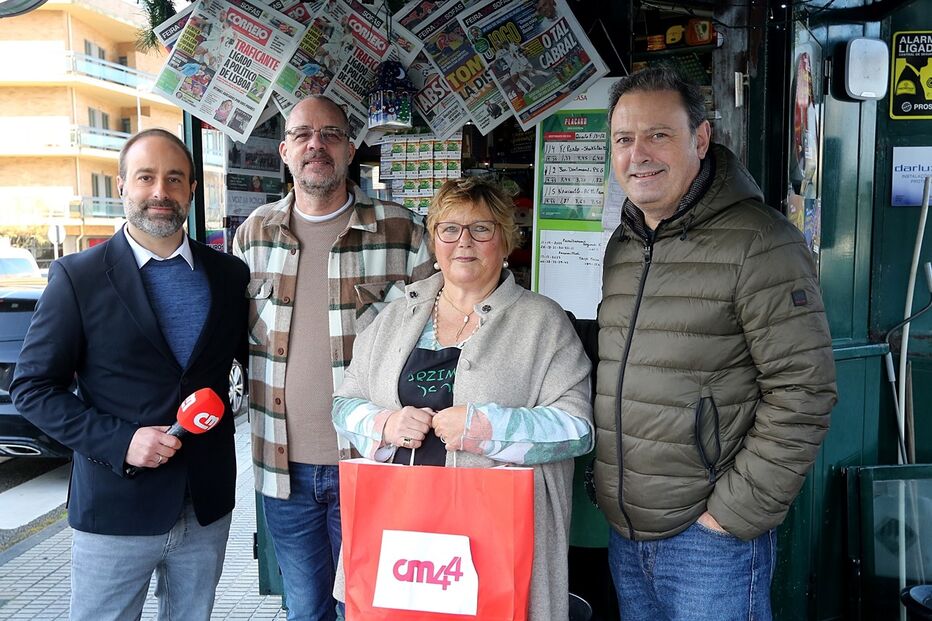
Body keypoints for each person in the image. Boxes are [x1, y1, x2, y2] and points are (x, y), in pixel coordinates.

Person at [595, 66, 838, 620]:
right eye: (624, 139)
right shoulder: (626, 244)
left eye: (659, 134)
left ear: (700, 140)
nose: (639, 155)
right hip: (627, 531)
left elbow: (805, 390)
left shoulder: (762, 241)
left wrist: (732, 515)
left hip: (710, 540)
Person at [10, 128, 249, 620]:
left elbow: (240, 366)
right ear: (122, 187)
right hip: (115, 507)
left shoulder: (228, 276)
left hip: (205, 505)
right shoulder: (79, 277)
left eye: (174, 178)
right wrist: (121, 441)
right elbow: (32, 388)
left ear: (191, 191)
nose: (160, 192)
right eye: (146, 177)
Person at [332, 176, 594, 621]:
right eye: (449, 229)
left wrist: (485, 430)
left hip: (496, 541)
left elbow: (576, 431)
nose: (464, 242)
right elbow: (343, 404)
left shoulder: (542, 322)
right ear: (434, 241)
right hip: (401, 533)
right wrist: (386, 424)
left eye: (482, 229)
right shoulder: (397, 315)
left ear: (506, 239)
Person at [233, 94, 433, 621]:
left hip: (372, 463)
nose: (315, 145)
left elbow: (440, 346)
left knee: (369, 610)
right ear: (284, 151)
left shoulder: (404, 232)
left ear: (351, 149)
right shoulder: (253, 234)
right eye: (302, 135)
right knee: (304, 611)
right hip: (282, 468)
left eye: (329, 134)